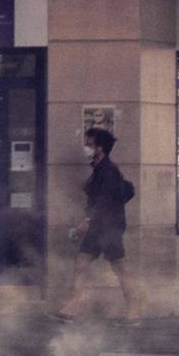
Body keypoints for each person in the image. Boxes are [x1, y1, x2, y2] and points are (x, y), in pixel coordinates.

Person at [60, 126, 135, 319]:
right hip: (102, 227)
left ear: (100, 147)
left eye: (89, 144)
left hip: (108, 227)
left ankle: (135, 309)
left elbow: (104, 201)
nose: (86, 147)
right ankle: (71, 307)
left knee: (119, 268)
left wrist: (87, 221)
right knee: (82, 263)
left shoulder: (107, 170)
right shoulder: (99, 169)